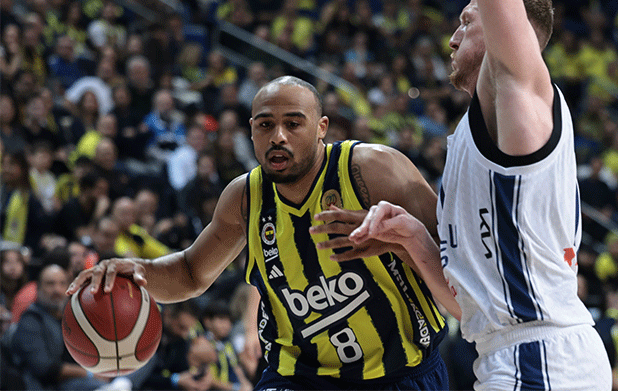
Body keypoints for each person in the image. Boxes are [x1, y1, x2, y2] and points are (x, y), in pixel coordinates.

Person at [315, 0, 612, 389]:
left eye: (467, 22)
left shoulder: (520, 98)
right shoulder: (475, 136)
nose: (452, 38)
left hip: (540, 357)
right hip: (517, 355)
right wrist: (411, 238)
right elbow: (471, 310)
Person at [68, 76, 449, 390]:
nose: (278, 136)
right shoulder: (245, 197)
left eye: (293, 124)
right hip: (300, 377)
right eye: (265, 125)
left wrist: (402, 242)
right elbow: (189, 274)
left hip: (401, 372)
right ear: (251, 131)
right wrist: (136, 270)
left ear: (321, 128)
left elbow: (455, 256)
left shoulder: (372, 169)